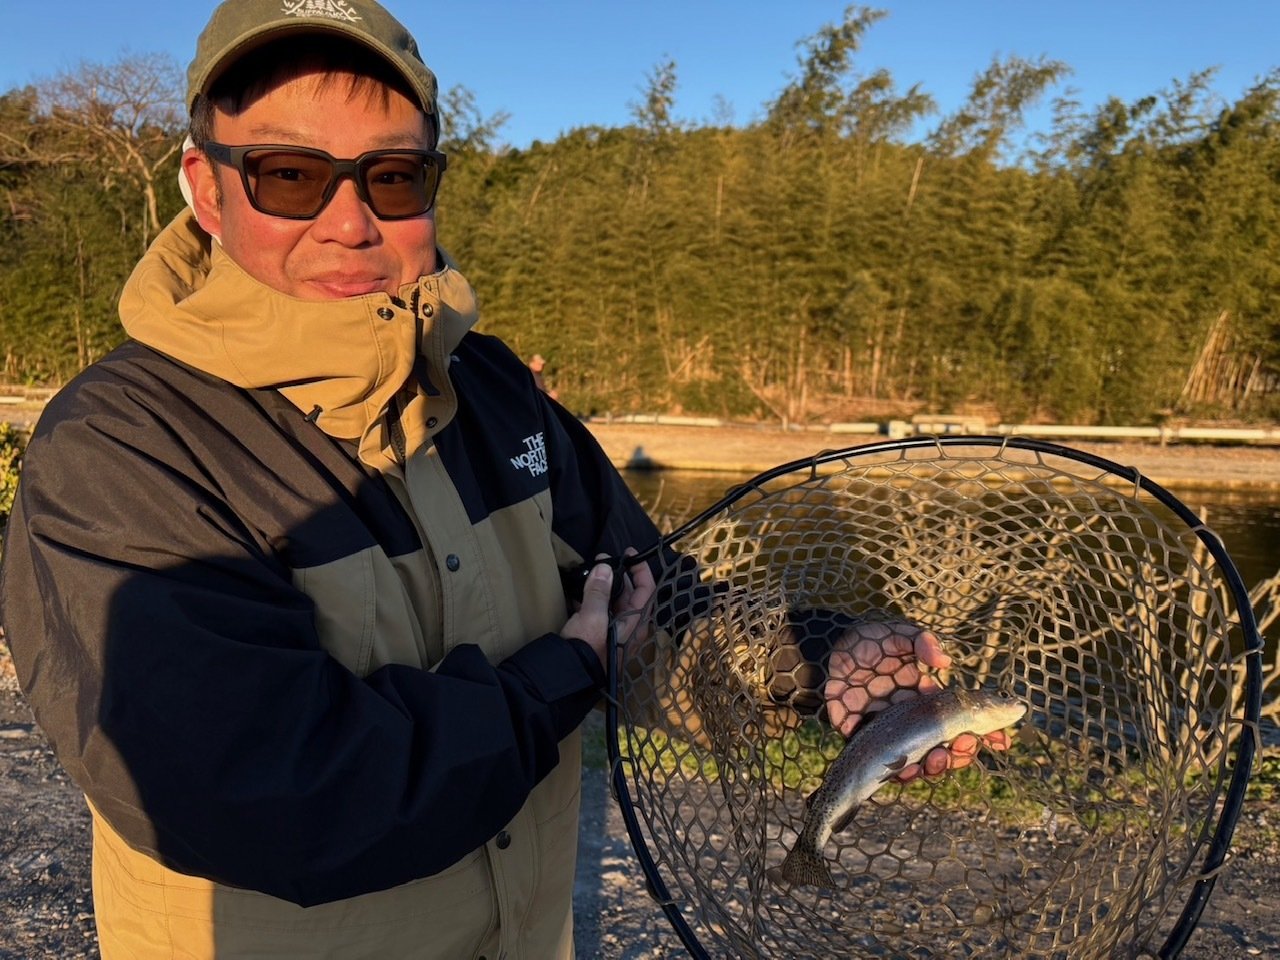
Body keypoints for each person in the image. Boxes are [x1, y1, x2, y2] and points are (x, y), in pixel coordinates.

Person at [0, 1, 1004, 956]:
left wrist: (818, 659)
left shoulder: (492, 391)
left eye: (392, 176)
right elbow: (270, 791)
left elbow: (649, 604)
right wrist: (559, 679)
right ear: (206, 188)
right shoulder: (121, 448)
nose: (350, 222)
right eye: (290, 176)